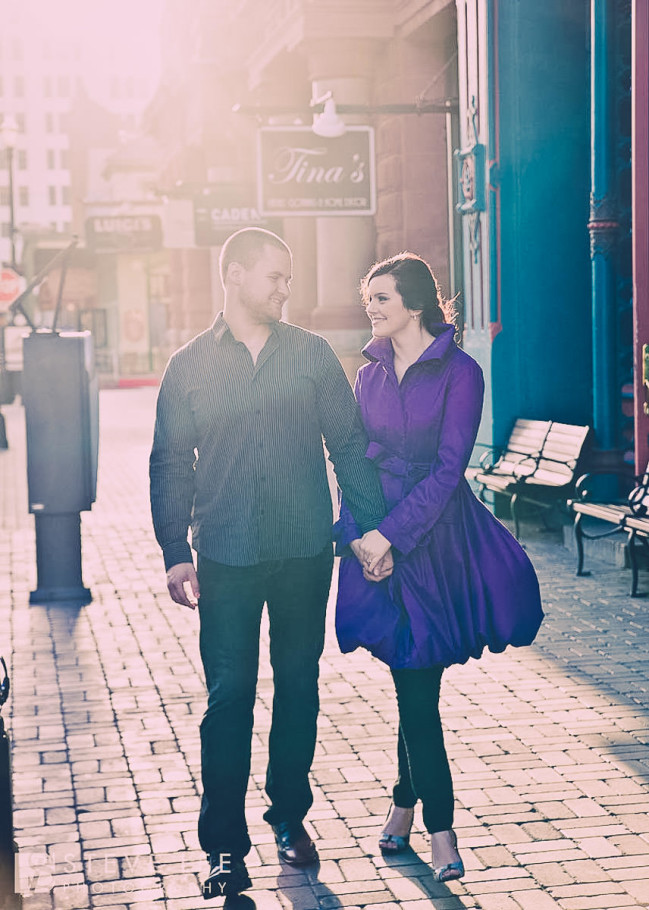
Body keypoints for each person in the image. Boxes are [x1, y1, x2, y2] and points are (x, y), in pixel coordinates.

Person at [149, 228, 388, 900]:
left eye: (288, 278)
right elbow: (170, 460)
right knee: (228, 699)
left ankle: (288, 816)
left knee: (298, 688)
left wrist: (370, 531)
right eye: (274, 277)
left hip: (303, 551)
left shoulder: (311, 357)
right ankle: (224, 848)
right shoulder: (189, 365)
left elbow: (349, 447)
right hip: (223, 553)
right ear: (234, 275)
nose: (286, 289)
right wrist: (174, 552)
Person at [335, 252, 543, 882]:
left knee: (416, 684)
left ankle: (441, 829)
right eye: (367, 298)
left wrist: (392, 537)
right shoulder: (366, 375)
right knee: (411, 675)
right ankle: (405, 808)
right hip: (378, 542)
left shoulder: (461, 372)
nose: (369, 309)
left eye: (382, 300)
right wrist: (361, 536)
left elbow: (451, 470)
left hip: (435, 541)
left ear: (415, 306)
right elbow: (353, 463)